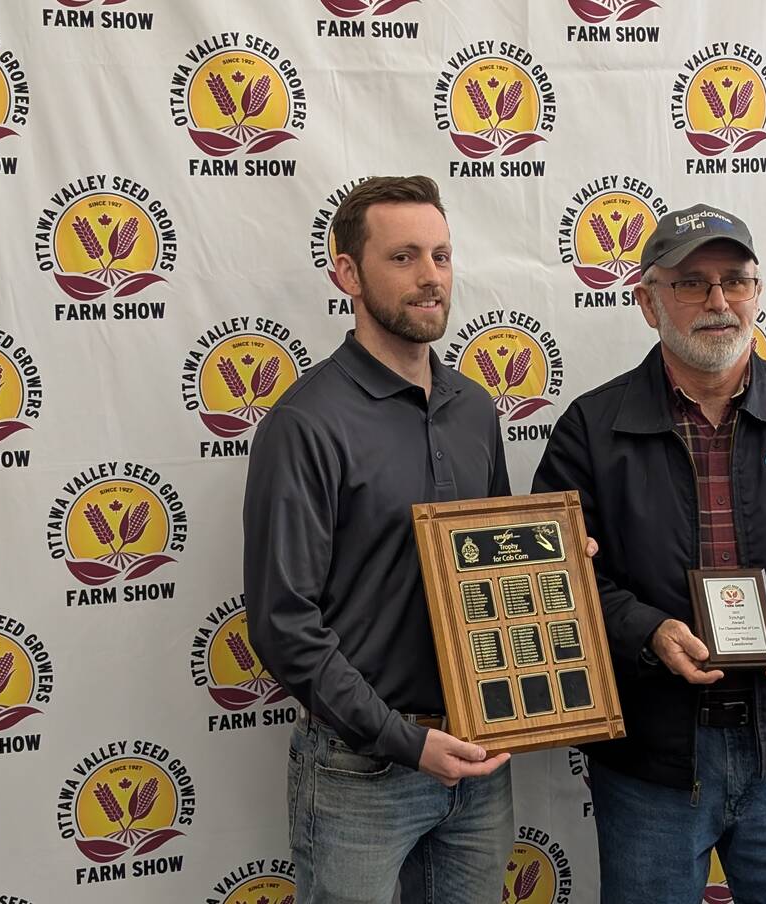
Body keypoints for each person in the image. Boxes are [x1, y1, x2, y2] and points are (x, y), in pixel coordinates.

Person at [532, 203, 766, 904]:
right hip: (652, 763)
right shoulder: (591, 427)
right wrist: (644, 630)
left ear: (758, 294)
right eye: (690, 283)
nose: (717, 302)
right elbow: (557, 577)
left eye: (735, 280)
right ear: (648, 302)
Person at [242, 175, 514, 904]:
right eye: (403, 258)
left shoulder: (473, 409)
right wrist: (402, 739)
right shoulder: (307, 423)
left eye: (442, 255)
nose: (431, 277)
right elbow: (284, 623)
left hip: (480, 759)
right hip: (359, 771)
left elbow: (496, 566)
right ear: (347, 273)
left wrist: (561, 576)